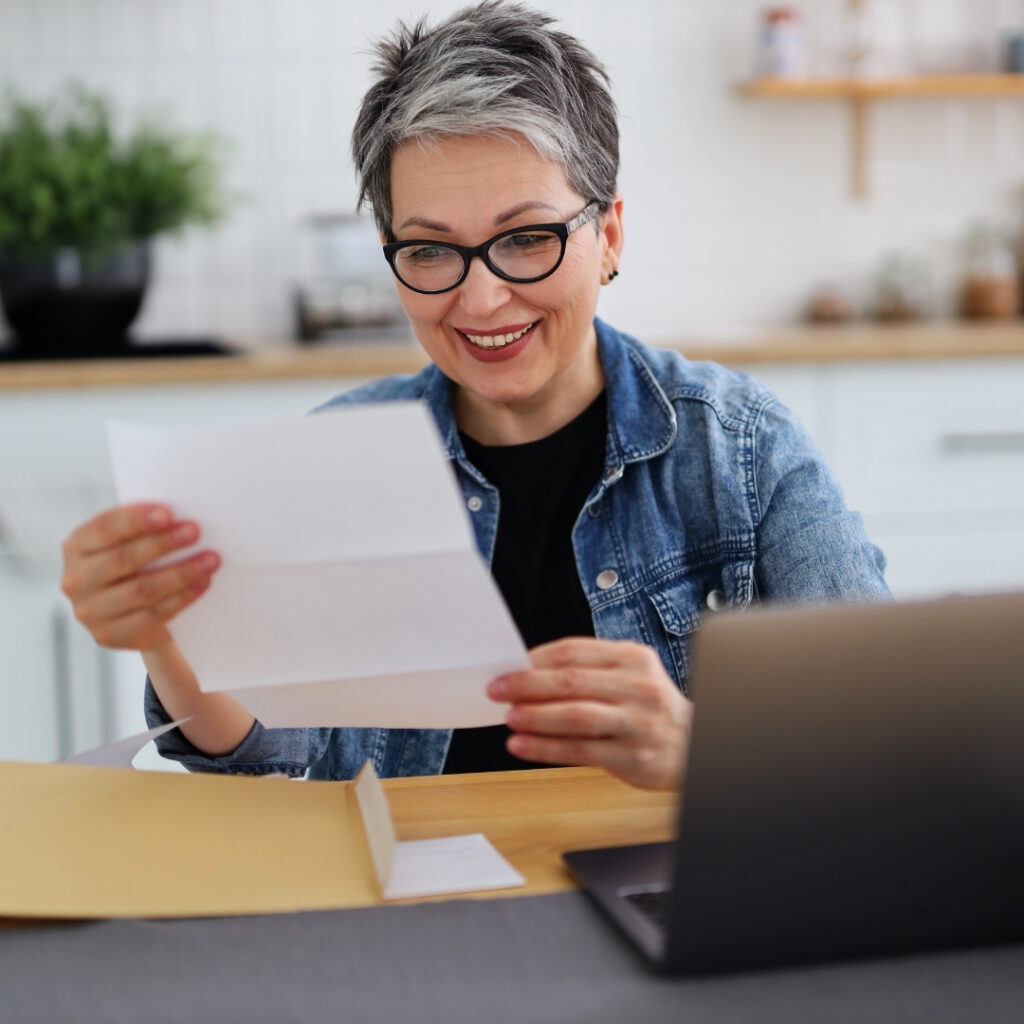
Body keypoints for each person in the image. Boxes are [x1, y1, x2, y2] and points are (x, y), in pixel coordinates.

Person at [60, 1, 888, 791]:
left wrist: (700, 749)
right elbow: (263, 749)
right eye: (429, 251)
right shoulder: (338, 459)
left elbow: (883, 738)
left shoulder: (740, 452)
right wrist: (168, 639)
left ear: (610, 236)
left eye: (526, 239)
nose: (482, 300)